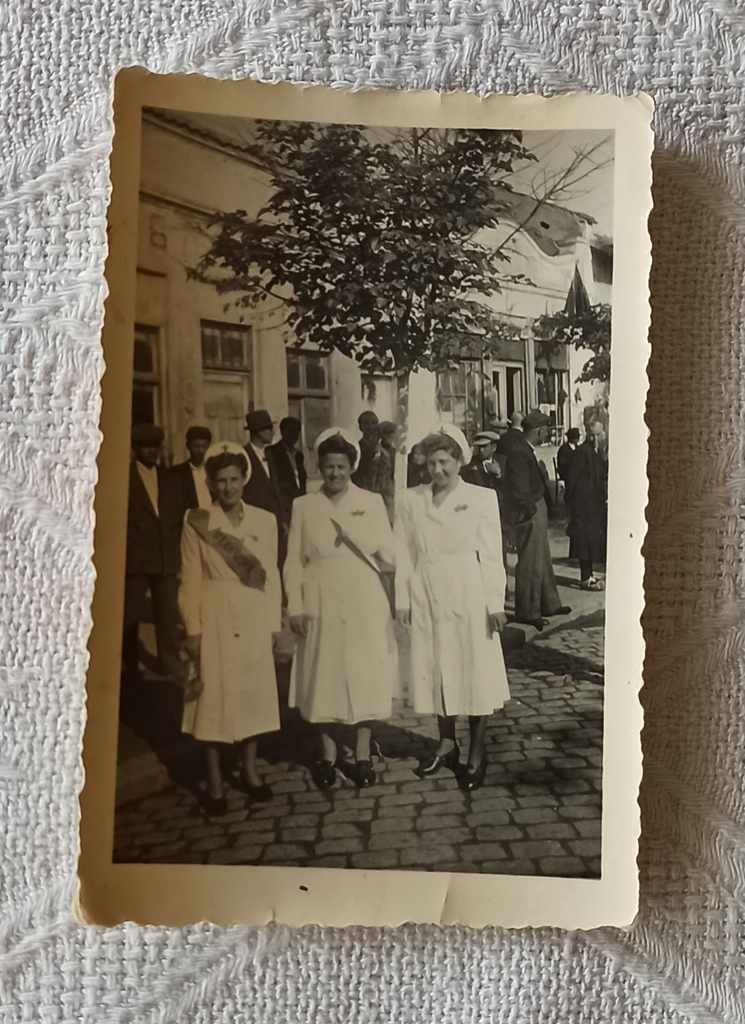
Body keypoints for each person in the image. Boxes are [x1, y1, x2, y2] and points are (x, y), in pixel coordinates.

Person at [395, 426, 510, 792]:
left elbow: (492, 554)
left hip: (468, 590)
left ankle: (477, 750)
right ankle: (446, 742)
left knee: (473, 669)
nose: (438, 470)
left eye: (445, 462)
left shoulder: (480, 498)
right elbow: (403, 553)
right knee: (436, 668)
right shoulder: (411, 500)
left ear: (459, 461)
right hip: (426, 591)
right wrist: (402, 600)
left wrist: (495, 602)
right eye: (431, 463)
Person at [284, 427, 397, 789]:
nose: (334, 474)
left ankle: (362, 753)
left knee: (363, 675)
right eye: (328, 467)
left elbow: (390, 555)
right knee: (324, 676)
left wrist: (367, 537)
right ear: (320, 467)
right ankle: (328, 754)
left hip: (363, 598)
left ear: (352, 466)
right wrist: (296, 607)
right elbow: (292, 562)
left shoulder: (371, 501)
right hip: (320, 599)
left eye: (341, 467)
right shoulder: (304, 505)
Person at [178, 441, 281, 816]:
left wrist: (273, 624)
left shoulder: (264, 520)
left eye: (234, 479)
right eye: (220, 481)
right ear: (210, 483)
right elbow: (188, 578)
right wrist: (193, 628)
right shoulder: (198, 521)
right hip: (215, 613)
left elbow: (271, 576)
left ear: (244, 480)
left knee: (252, 695)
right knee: (213, 698)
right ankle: (216, 780)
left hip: (253, 613)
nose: (228, 488)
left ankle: (250, 770)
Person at [123, 423, 182, 685]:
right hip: (136, 559)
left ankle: (169, 664)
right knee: (131, 614)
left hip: (166, 557)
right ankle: (129, 665)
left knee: (167, 615)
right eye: (146, 447)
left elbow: (176, 516)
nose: (152, 452)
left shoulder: (168, 477)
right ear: (136, 450)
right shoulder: (125, 479)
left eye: (155, 447)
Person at [503, 411, 571, 630]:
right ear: (539, 431)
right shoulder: (520, 452)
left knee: (542, 557)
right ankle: (528, 611)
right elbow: (519, 487)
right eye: (545, 431)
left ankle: (549, 603)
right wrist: (530, 509)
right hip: (530, 511)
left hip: (535, 507)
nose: (546, 435)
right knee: (531, 561)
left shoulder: (524, 450)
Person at [565, 420, 608, 590]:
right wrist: (572, 504)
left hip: (592, 505)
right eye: (597, 434)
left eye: (600, 434)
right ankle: (585, 577)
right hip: (583, 506)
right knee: (583, 541)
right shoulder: (582, 452)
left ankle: (589, 575)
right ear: (591, 435)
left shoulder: (595, 452)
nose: (600, 437)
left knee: (590, 541)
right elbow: (573, 478)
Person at [243, 409, 282, 526]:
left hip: (275, 520)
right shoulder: (243, 455)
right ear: (259, 431)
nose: (273, 432)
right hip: (255, 521)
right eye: (269, 428)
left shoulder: (271, 455)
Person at [171, 425, 213, 515]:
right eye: (196, 446)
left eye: (204, 446)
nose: (200, 451)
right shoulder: (177, 473)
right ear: (188, 446)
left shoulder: (214, 470)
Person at [351, 410, 382, 491]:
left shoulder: (385, 448)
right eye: (366, 423)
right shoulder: (356, 448)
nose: (370, 426)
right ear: (360, 427)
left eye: (374, 423)